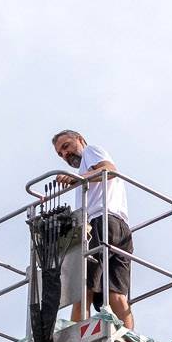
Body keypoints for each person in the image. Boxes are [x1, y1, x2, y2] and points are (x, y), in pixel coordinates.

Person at [51, 129, 134, 328]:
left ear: (80, 139)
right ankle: (129, 340)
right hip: (120, 228)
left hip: (100, 222)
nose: (65, 154)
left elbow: (109, 169)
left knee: (83, 287)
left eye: (66, 146)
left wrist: (76, 178)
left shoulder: (91, 152)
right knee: (115, 294)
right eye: (60, 154)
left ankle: (76, 336)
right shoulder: (85, 171)